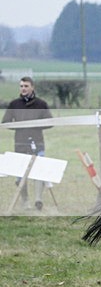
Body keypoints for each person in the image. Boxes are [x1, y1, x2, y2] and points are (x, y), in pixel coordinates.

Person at [1, 76, 53, 210]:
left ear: (32, 87)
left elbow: (50, 122)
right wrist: (20, 126)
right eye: (21, 86)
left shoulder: (41, 104)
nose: (23, 88)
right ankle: (25, 202)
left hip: (37, 143)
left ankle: (38, 200)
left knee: (39, 172)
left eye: (26, 86)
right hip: (20, 144)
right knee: (20, 176)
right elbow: (5, 122)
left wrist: (35, 126)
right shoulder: (14, 104)